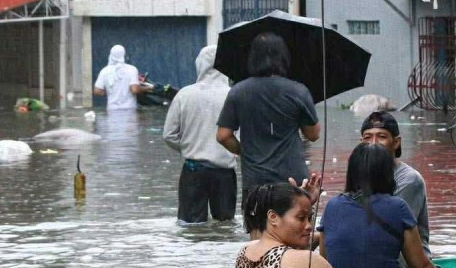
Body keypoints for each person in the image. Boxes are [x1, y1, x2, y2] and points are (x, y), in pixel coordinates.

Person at [317, 143, 456, 268]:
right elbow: (422, 267)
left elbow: (324, 261)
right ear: (388, 173)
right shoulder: (398, 207)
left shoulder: (332, 206)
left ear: (352, 173)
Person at [235, 182, 403, 268]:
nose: (309, 226)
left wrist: (301, 202)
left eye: (310, 218)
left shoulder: (245, 251)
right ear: (273, 217)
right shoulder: (308, 261)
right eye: (301, 218)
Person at [216, 32, 320, 208]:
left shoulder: (238, 91)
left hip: (256, 180)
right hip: (292, 179)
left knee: (258, 231)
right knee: (293, 231)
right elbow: (313, 135)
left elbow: (223, 136)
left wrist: (246, 151)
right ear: (284, 57)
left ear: (253, 58)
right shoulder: (298, 90)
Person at [359, 111, 432, 268]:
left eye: (381, 137)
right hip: (369, 258)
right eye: (368, 137)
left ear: (396, 142)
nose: (373, 143)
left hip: (405, 264)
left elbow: (385, 228)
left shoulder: (409, 180)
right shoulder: (360, 178)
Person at [163, 45, 237, 225]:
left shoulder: (184, 95)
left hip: (193, 171)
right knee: (225, 225)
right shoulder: (233, 95)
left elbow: (169, 135)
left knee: (191, 227)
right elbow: (241, 135)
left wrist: (189, 146)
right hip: (225, 173)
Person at [93, 44, 150, 111]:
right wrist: (147, 88)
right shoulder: (132, 69)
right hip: (130, 109)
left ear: (111, 55)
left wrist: (111, 92)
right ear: (124, 55)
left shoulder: (104, 71)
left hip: (112, 109)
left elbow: (97, 91)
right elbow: (135, 90)